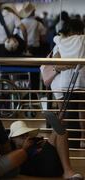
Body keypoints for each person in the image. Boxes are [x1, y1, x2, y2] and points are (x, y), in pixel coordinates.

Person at [50, 19, 85, 148]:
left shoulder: (60, 42)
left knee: (67, 112)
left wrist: (68, 65)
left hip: (65, 82)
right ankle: (82, 138)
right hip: (82, 80)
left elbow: (56, 65)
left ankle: (70, 142)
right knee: (82, 109)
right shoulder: (82, 40)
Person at [9, 120, 84, 179]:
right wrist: (24, 148)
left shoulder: (33, 142)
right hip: (37, 167)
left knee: (60, 130)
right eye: (22, 136)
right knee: (58, 131)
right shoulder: (10, 150)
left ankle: (67, 170)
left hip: (47, 163)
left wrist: (42, 144)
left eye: (26, 135)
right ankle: (67, 171)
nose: (25, 138)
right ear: (13, 139)